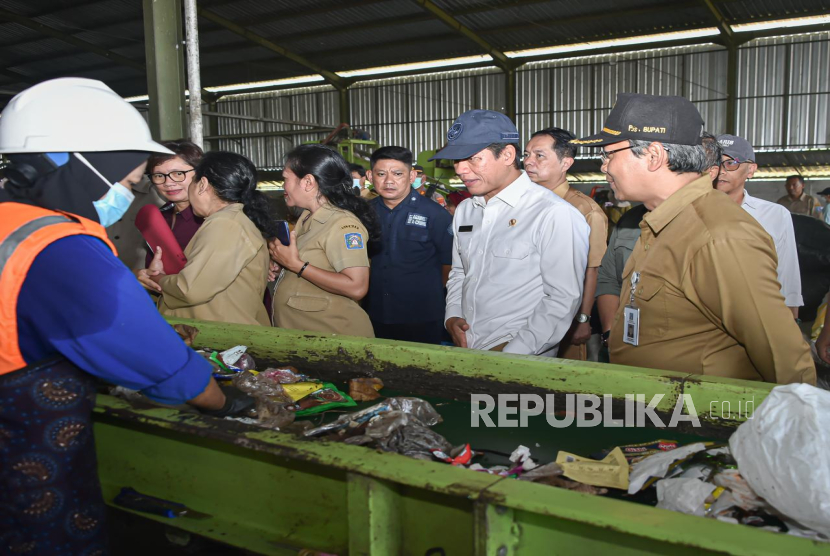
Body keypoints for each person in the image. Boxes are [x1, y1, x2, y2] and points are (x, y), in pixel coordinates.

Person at [0, 78, 248, 555]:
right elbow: (152, 355)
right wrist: (221, 401)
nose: (129, 195)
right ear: (83, 166)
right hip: (25, 459)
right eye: (130, 183)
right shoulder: (61, 247)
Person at [572, 92, 815, 384]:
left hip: (701, 420)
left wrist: (796, 425)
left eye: (609, 154)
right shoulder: (661, 222)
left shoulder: (718, 236)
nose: (604, 166)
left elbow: (784, 357)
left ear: (654, 156)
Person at [438, 109, 590, 355]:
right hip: (468, 344)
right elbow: (460, 272)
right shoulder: (466, 210)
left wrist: (514, 352)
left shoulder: (553, 213)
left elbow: (561, 300)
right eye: (457, 160)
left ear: (507, 154)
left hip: (521, 353)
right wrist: (453, 315)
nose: (460, 170)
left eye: (473, 158)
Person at [148, 151, 274, 326]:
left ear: (202, 184)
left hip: (220, 335)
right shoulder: (231, 220)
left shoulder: (225, 223)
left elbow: (190, 289)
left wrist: (156, 278)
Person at [269, 144, 379, 337]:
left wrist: (297, 266)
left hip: (336, 339)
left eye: (286, 179)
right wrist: (283, 266)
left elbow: (357, 286)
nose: (283, 186)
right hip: (308, 336)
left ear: (308, 182)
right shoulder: (306, 217)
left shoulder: (343, 224)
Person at [524, 127, 608, 360]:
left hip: (564, 318)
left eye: (539, 155)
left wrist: (583, 319)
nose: (529, 162)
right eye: (527, 154)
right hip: (521, 314)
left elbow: (591, 270)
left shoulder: (585, 210)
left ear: (565, 163)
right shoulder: (521, 204)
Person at [365, 146, 453, 344]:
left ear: (412, 175)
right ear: (370, 176)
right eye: (381, 174)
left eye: (397, 174)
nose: (388, 181)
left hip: (421, 316)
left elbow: (449, 265)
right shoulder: (364, 213)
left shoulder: (435, 214)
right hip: (376, 312)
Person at [716, 134, 803, 318]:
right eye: (715, 162)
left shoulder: (775, 215)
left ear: (751, 169)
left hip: (758, 315)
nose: (721, 171)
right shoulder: (691, 212)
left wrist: (791, 322)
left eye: (731, 163)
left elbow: (787, 275)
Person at [135, 139, 205, 290]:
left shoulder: (214, 219)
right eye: (159, 176)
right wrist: (142, 275)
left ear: (200, 174)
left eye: (178, 173)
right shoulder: (158, 218)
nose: (168, 182)